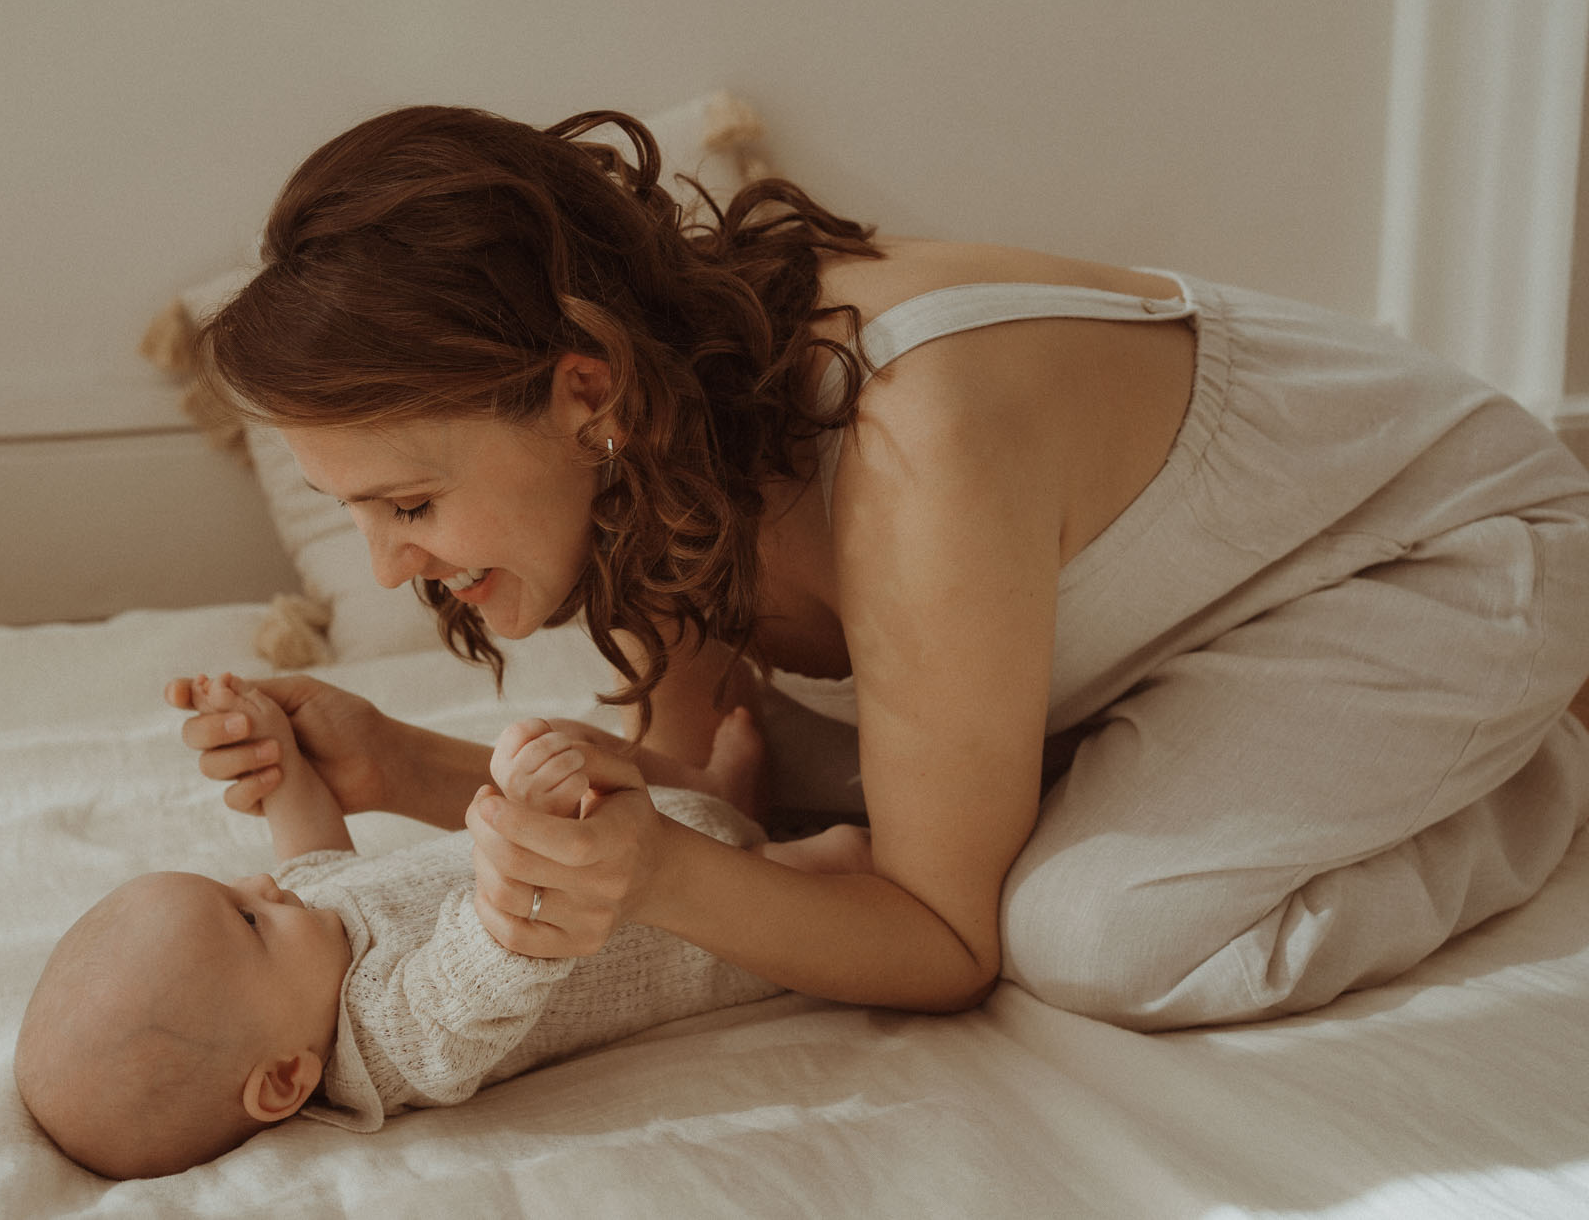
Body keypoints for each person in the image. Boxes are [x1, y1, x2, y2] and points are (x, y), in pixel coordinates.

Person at [177, 104, 1589, 1032]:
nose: (383, 564)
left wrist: (658, 871)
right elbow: (694, 790)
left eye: (409, 500)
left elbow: (934, 938)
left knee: (1093, 936)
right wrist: (400, 767)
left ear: (581, 389)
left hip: (1431, 557)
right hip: (1175, 633)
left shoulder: (919, 435)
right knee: (792, 783)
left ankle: (1549, 751)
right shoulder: (655, 452)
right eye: (354, 511)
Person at [15, 674, 842, 1180]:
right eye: (246, 916)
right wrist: (531, 823)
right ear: (285, 1081)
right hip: (719, 928)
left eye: (234, 884)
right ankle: (793, 842)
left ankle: (723, 800)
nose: (263, 883)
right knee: (842, 862)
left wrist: (279, 762)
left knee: (684, 804)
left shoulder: (306, 932)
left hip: (660, 834)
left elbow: (308, 852)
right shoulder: (388, 1039)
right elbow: (492, 957)